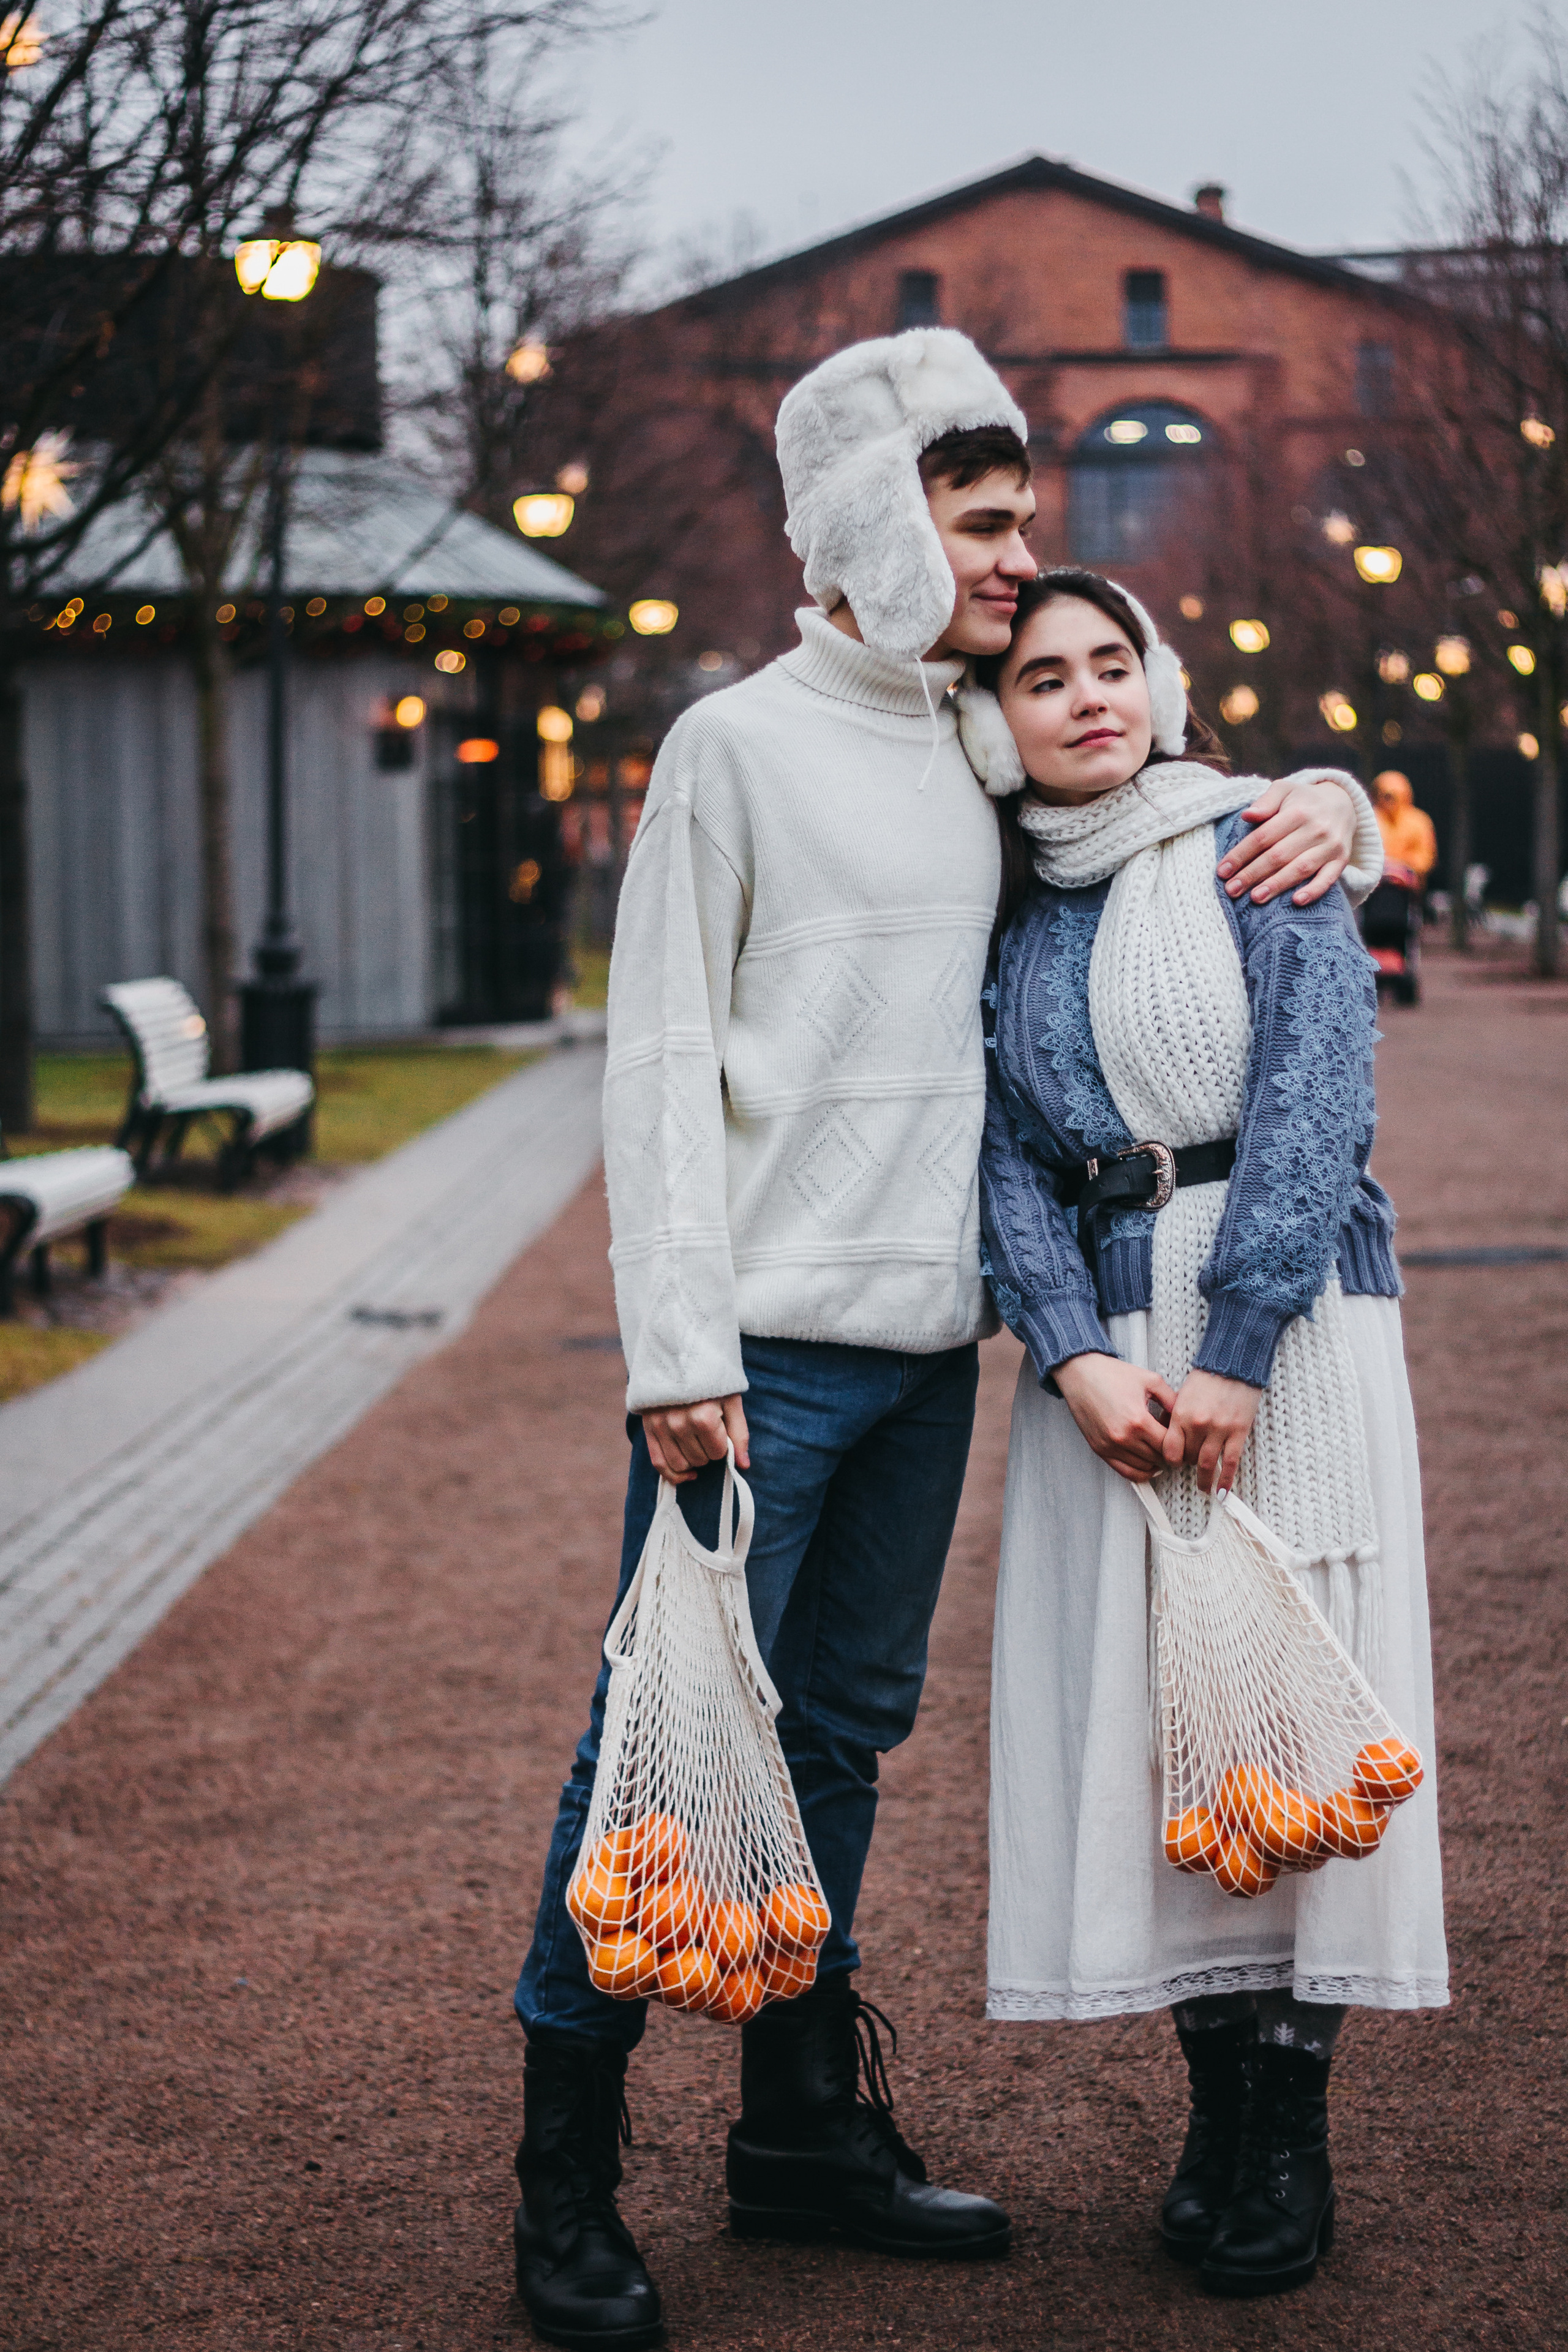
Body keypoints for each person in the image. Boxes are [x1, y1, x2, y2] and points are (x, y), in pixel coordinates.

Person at [510, 333, 1376, 2352]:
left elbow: (1156, 788)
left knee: (836, 1744)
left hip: (926, 1358)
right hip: (756, 1363)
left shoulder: (976, 745)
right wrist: (673, 1349)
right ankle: (565, 2179)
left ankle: (800, 2132)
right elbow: (652, 1062)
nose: (1015, 565)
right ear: (872, 527)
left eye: (1019, 528)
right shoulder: (729, 744)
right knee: (652, 1754)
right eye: (980, 528)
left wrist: (1330, 800)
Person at [969, 569, 1447, 2300]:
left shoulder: (1266, 840)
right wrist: (1072, 1352)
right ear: (997, 715)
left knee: (1303, 1694)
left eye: (1117, 664)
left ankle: (1292, 2124)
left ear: (1166, 684)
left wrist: (1241, 1340)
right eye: (1046, 675)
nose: (1090, 696)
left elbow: (1322, 1089)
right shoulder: (1008, 905)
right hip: (1108, 1349)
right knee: (1169, 1713)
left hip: (1292, 1325)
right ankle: (1217, 2102)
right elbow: (997, 1153)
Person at [1371, 769, 1438, 881]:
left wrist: (1399, 863)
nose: (1390, 801)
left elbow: (1426, 859)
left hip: (1407, 887)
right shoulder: (1369, 819)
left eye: (1394, 796)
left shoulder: (1419, 821)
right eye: (1386, 795)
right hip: (1373, 884)